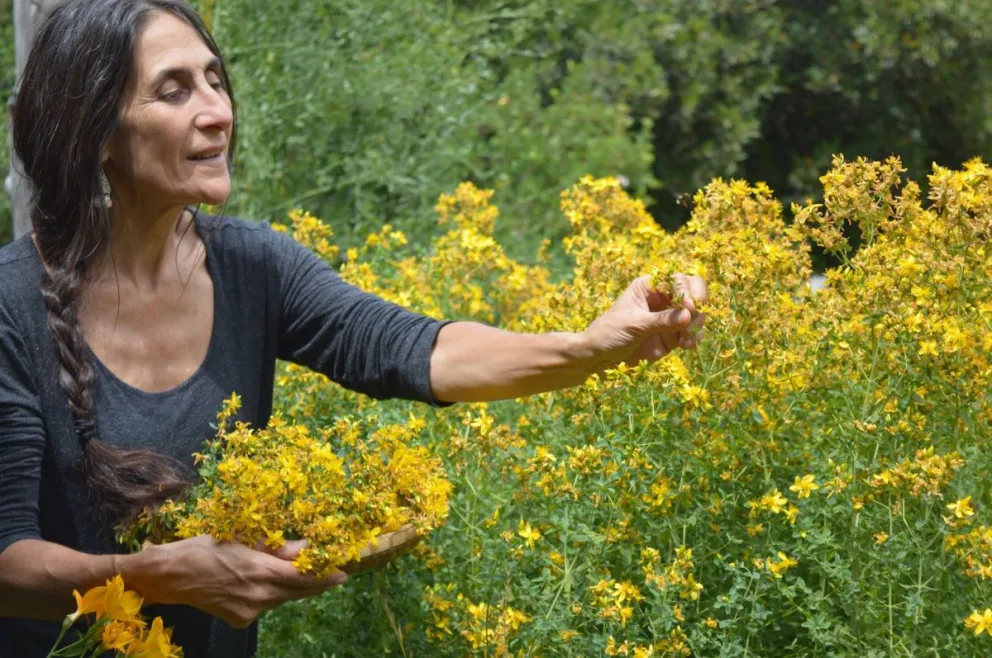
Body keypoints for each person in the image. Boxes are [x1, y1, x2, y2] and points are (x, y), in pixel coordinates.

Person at [0, 1, 707, 656]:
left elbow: (412, 349)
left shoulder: (253, 266)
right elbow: (7, 565)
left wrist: (589, 348)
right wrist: (155, 579)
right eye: (174, 90)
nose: (217, 111)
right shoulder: (11, 304)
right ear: (97, 132)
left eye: (215, 80)